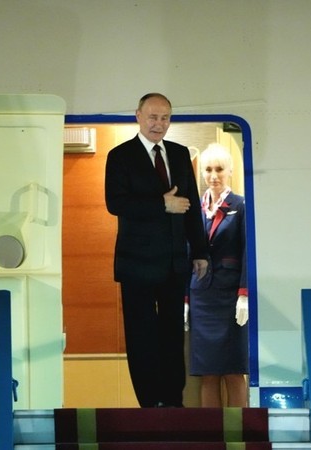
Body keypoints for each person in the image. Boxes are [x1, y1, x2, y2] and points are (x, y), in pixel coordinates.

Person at [104, 93, 209, 408]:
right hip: (136, 264)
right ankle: (149, 403)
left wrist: (200, 251)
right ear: (138, 115)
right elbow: (116, 203)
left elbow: (190, 207)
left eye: (164, 118)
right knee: (142, 336)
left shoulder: (178, 154)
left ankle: (172, 400)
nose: (158, 124)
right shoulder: (120, 155)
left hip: (175, 262)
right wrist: (161, 204)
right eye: (152, 117)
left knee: (173, 335)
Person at [188, 143, 249, 407]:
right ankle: (211, 435)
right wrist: (185, 299)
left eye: (219, 169)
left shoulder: (242, 205)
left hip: (230, 296)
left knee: (234, 372)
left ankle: (243, 434)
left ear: (230, 171)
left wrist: (244, 294)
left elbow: (248, 251)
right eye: (208, 169)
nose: (213, 175)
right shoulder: (194, 209)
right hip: (202, 296)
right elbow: (185, 253)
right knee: (208, 373)